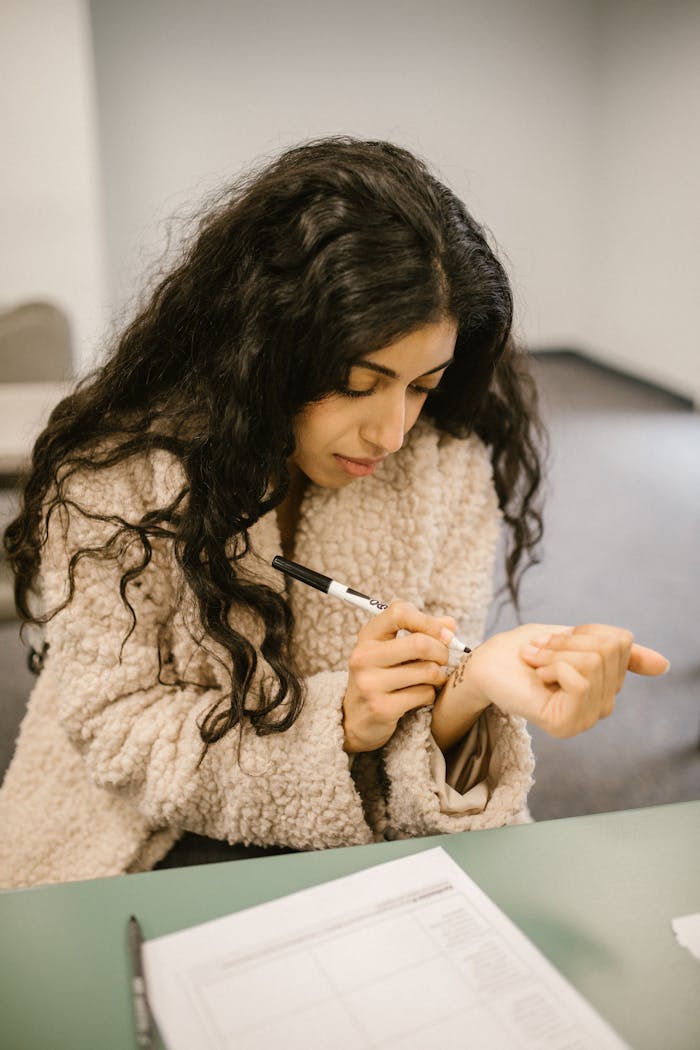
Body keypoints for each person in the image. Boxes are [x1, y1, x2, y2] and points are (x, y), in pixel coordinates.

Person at [0, 137, 668, 889]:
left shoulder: (445, 466)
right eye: (358, 383)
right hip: (129, 837)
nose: (393, 433)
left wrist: (472, 687)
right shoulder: (120, 478)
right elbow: (118, 734)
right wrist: (341, 724)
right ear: (264, 349)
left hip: (357, 832)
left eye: (422, 386)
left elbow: (425, 726)